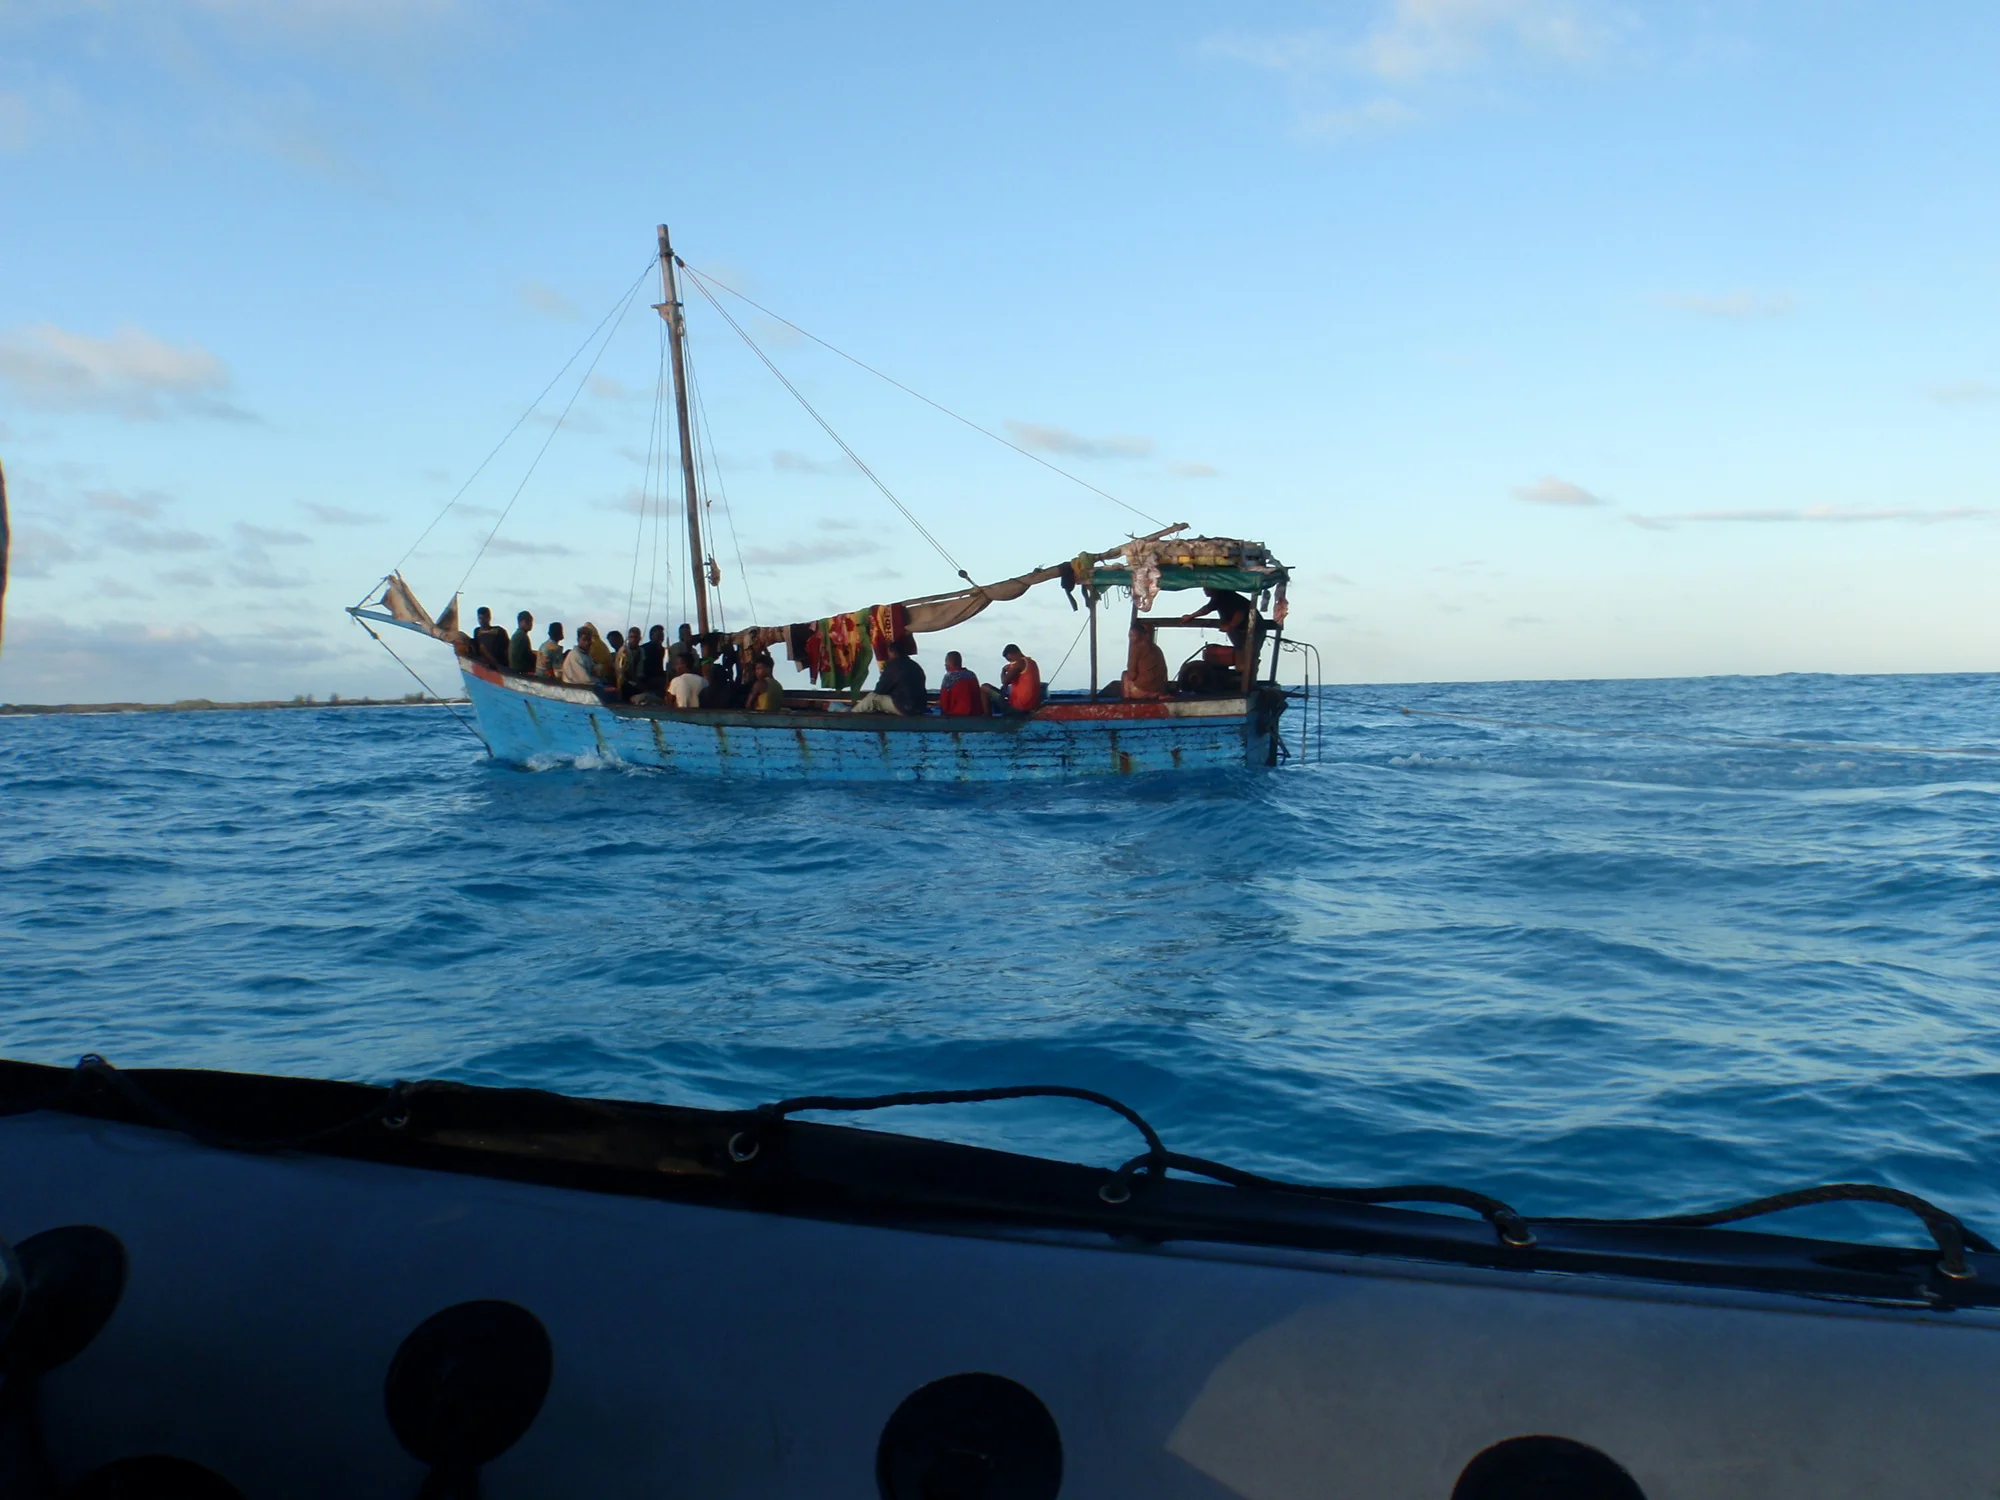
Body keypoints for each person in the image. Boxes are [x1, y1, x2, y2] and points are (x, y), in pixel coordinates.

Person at [852, 639, 927, 715]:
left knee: (872, 698)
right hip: (920, 708)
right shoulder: (915, 666)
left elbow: (880, 689)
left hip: (905, 708)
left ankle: (852, 715)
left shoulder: (894, 665)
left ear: (892, 652)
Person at [1184, 588, 1251, 651]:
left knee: (1249, 651)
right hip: (1237, 628)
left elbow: (1239, 612)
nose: (1204, 590)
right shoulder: (1216, 598)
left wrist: (1230, 625)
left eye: (1206, 588)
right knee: (1240, 649)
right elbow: (1206, 609)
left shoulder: (1227, 595)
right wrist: (1191, 616)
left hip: (1250, 626)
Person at [983, 643, 1042, 714]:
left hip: (1019, 708)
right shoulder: (1032, 662)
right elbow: (1008, 683)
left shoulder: (1020, 662)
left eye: (1010, 659)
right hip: (1031, 707)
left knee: (984, 687)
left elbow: (1004, 681)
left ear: (1015, 653)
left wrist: (1003, 670)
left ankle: (987, 716)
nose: (1011, 662)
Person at [1120, 622, 1171, 700]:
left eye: (1133, 636)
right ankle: (1156, 694)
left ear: (1141, 635)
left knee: (1125, 675)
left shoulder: (1136, 648)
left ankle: (1126, 701)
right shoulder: (1156, 648)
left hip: (1143, 691)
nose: (1131, 639)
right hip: (1160, 690)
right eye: (1130, 636)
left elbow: (1132, 675)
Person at [936, 650, 983, 717]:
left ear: (949, 663)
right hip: (976, 715)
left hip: (958, 716)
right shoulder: (971, 675)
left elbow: (944, 702)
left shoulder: (949, 677)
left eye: (946, 662)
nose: (945, 665)